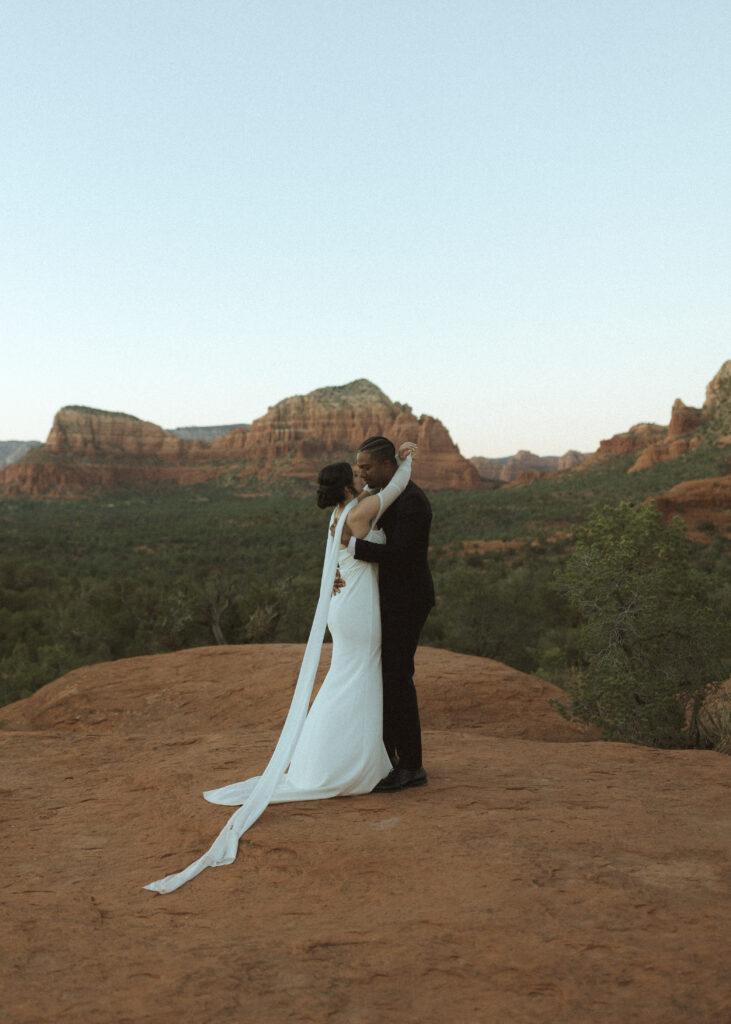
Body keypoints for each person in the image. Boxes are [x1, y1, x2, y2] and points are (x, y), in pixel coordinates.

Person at [144, 442, 417, 894]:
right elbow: (400, 485)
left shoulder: (336, 516)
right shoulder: (359, 510)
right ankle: (354, 765)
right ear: (349, 484)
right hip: (358, 611)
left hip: (341, 606)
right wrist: (406, 458)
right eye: (359, 471)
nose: (364, 475)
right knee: (359, 680)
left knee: (343, 681)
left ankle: (330, 759)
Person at [341, 436, 435, 792]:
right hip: (385, 600)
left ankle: (411, 766)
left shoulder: (413, 503)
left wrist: (351, 547)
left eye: (366, 466)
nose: (360, 472)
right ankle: (388, 758)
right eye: (358, 466)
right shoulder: (387, 495)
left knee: (397, 678)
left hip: (408, 600)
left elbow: (402, 556)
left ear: (386, 465)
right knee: (385, 678)